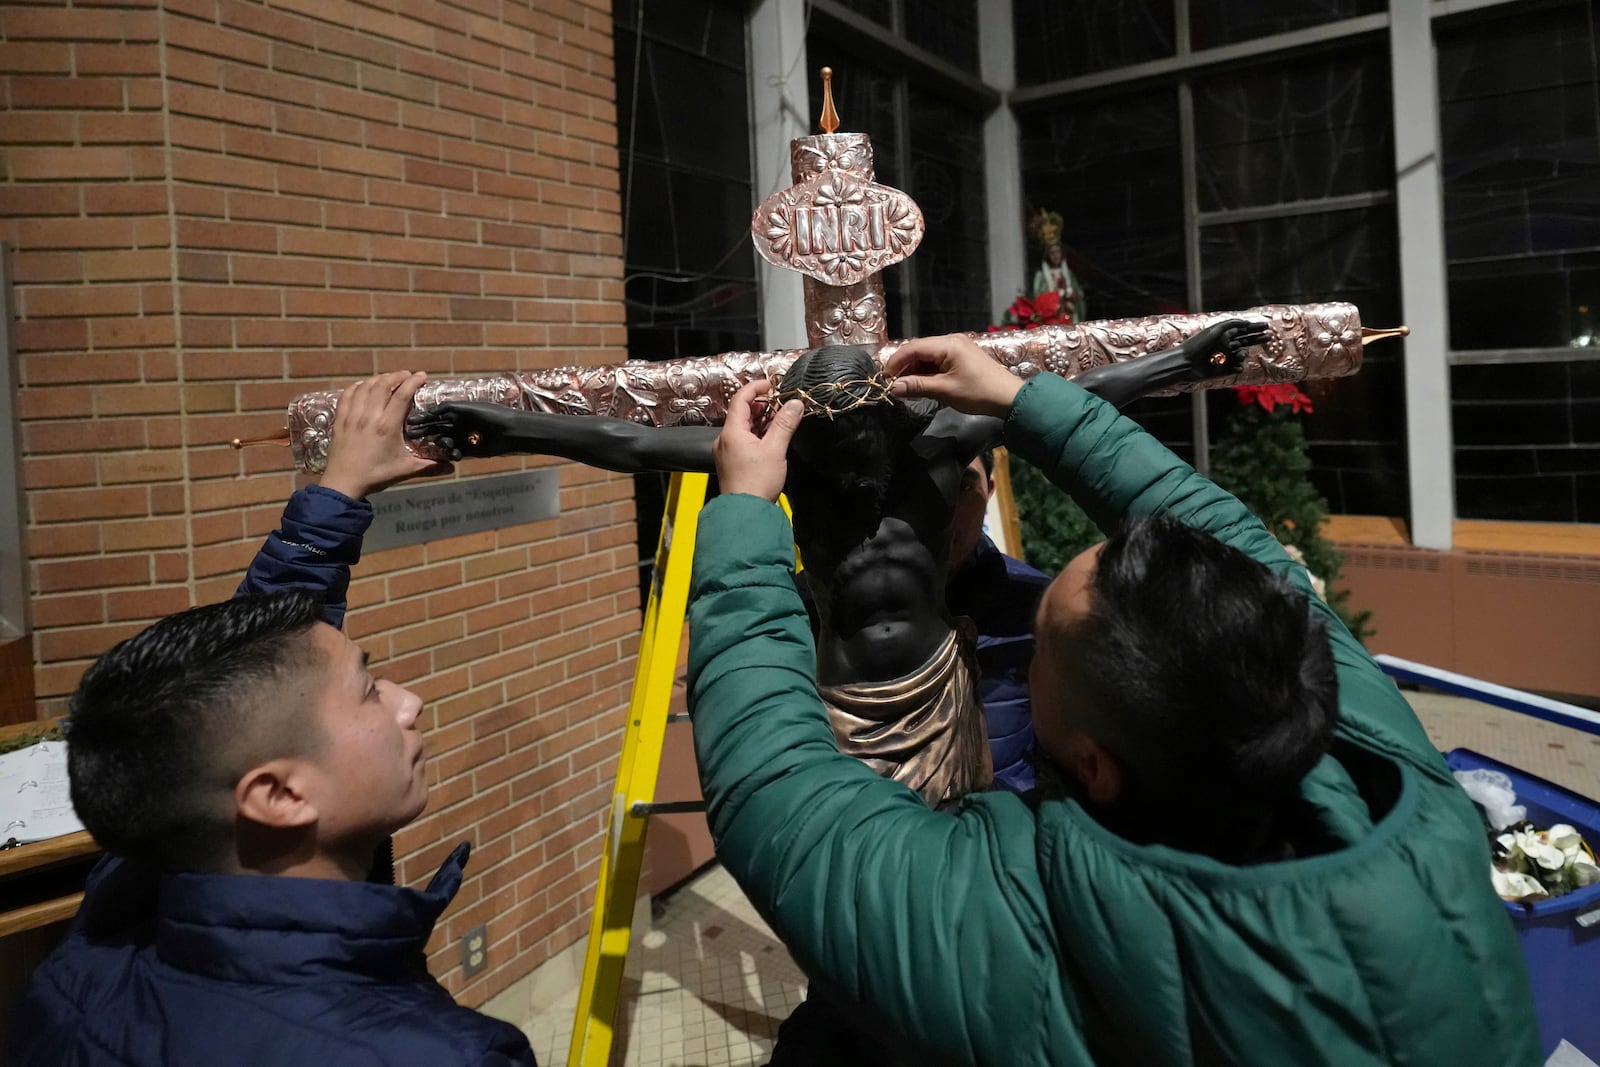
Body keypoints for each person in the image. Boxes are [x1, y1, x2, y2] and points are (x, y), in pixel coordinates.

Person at [683, 335, 1541, 1065]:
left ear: (1091, 763)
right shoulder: (1399, 791)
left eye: (1044, 646)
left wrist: (743, 515)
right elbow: (1236, 548)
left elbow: (777, 787)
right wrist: (1027, 401)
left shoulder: (1010, 946)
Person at [407, 325, 1260, 811]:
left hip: (936, 688)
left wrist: (1187, 362)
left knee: (955, 843)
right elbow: (623, 440)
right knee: (854, 857)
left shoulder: (941, 439)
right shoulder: (793, 456)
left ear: (885, 418)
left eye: (854, 439)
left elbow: (1080, 400)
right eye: (825, 438)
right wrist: (497, 428)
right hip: (840, 698)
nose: (842, 459)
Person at [10, 372, 538, 1067]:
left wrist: (336, 491)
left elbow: (249, 677)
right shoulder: (441, 1053)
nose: (410, 702)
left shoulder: (119, 922)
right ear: (278, 795)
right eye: (370, 690)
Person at [944, 449, 1052, 795]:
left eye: (961, 485)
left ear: (989, 491)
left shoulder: (1040, 609)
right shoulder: (813, 608)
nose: (942, 506)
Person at [1030, 241, 1086, 323]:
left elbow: (1078, 294)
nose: (1055, 256)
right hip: (1051, 315)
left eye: (1058, 252)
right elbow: (1038, 297)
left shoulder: (1068, 274)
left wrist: (1071, 293)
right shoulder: (1041, 276)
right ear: (1047, 256)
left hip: (1068, 313)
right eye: (1052, 253)